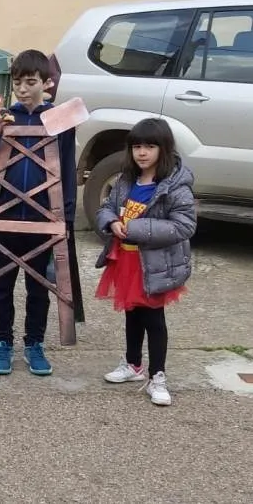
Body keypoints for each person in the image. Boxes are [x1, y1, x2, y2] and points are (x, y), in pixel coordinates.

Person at [0, 49, 76, 377]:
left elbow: (68, 170)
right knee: (1, 285)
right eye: (18, 83)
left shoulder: (58, 121)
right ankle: (2, 342)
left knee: (38, 287)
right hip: (4, 219)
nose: (24, 89)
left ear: (47, 83)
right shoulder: (4, 119)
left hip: (42, 219)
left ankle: (34, 344)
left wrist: (65, 219)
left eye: (31, 82)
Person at [95, 118, 195, 407]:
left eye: (149, 146)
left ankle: (158, 375)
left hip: (155, 263)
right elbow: (107, 207)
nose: (142, 152)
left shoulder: (174, 185)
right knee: (132, 314)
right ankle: (133, 365)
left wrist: (136, 228)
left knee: (154, 319)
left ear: (163, 149)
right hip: (126, 260)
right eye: (137, 146)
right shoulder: (126, 180)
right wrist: (111, 221)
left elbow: (184, 225)